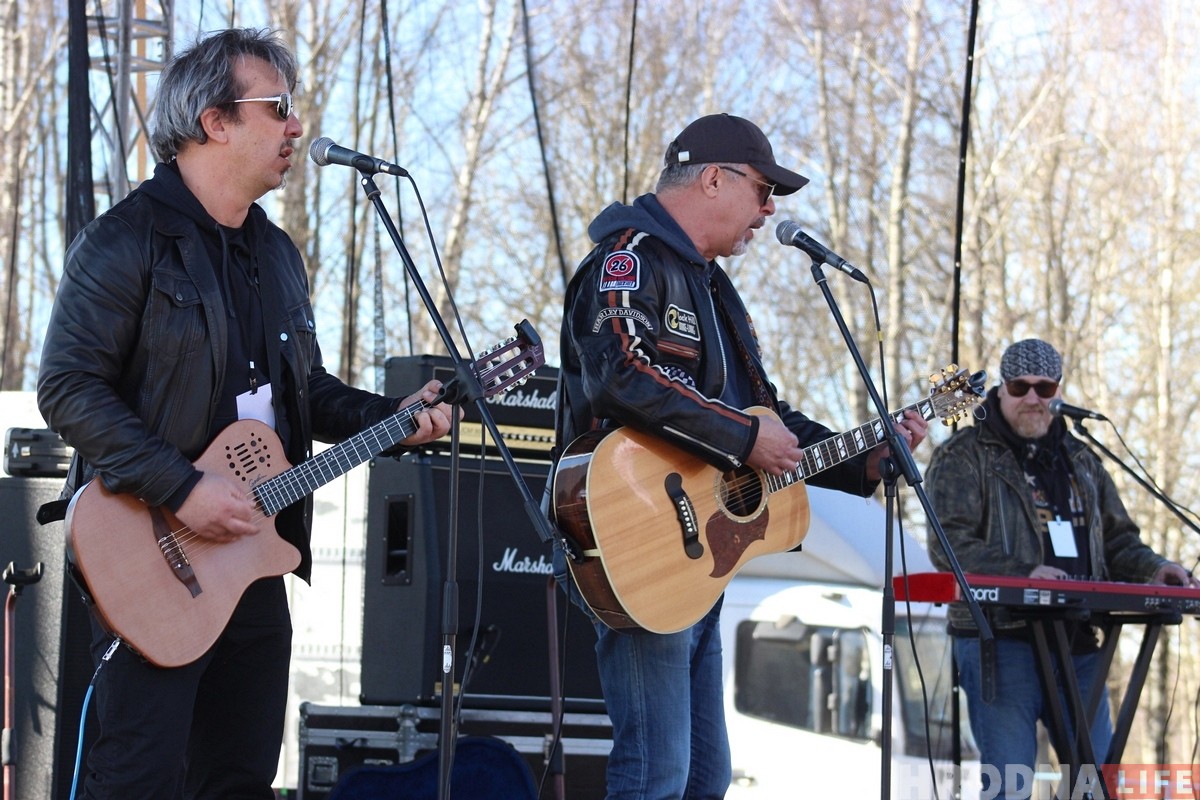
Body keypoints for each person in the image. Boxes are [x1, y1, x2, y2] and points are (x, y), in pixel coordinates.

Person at [36, 28, 456, 799]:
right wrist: (181, 486)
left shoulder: (279, 255)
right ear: (214, 122)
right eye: (277, 107)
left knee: (240, 775)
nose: (296, 125)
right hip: (149, 549)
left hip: (252, 556)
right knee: (138, 776)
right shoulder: (126, 241)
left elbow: (307, 392)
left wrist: (395, 417)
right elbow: (67, 387)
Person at [551, 113, 928, 799]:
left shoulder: (717, 289)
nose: (769, 210)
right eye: (762, 189)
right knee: (654, 775)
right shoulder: (626, 258)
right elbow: (622, 374)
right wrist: (744, 438)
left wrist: (864, 459)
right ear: (715, 179)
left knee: (703, 779)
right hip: (635, 536)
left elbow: (767, 418)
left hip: (699, 558)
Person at [925, 338, 1197, 799]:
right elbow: (949, 542)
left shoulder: (1083, 458)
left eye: (1044, 386)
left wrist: (1157, 569)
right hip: (1001, 641)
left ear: (1058, 390)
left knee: (1093, 786)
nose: (1033, 397)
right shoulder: (962, 455)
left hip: (1079, 642)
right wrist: (1024, 572)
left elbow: (1118, 539)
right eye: (1020, 386)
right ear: (1002, 389)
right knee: (1009, 787)